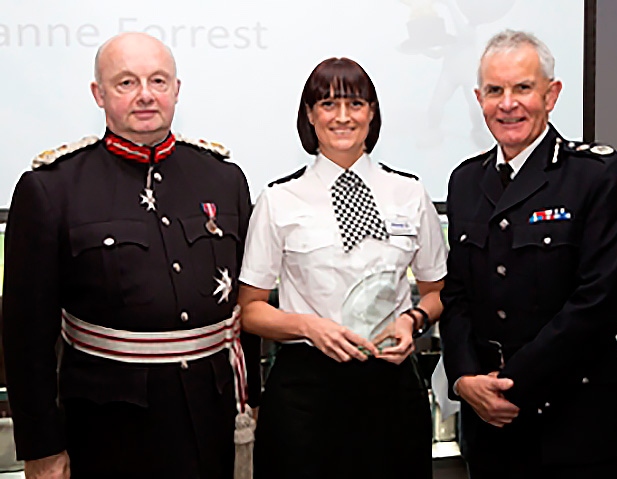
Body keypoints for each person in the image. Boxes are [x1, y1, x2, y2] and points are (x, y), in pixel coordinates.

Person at [2, 32, 260, 479]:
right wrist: (43, 449)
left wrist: (252, 402)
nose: (145, 95)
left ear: (176, 89)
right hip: (108, 430)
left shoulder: (224, 179)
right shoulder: (51, 188)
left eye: (158, 81)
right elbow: (26, 337)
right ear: (98, 94)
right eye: (125, 83)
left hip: (214, 418)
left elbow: (245, 305)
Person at [440, 29, 617, 479]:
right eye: (495, 90)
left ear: (552, 94)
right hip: (493, 432)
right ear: (479, 98)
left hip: (579, 428)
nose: (507, 103)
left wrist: (510, 384)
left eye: (522, 88)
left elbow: (599, 303)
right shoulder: (466, 182)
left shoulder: (596, 175)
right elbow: (456, 298)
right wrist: (464, 379)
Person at [237, 57, 447, 479]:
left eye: (355, 104)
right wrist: (309, 327)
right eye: (328, 104)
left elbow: (437, 291)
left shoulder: (409, 192)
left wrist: (413, 321)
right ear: (310, 116)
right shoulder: (279, 199)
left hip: (391, 387)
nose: (343, 117)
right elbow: (250, 309)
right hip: (306, 393)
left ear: (372, 113)